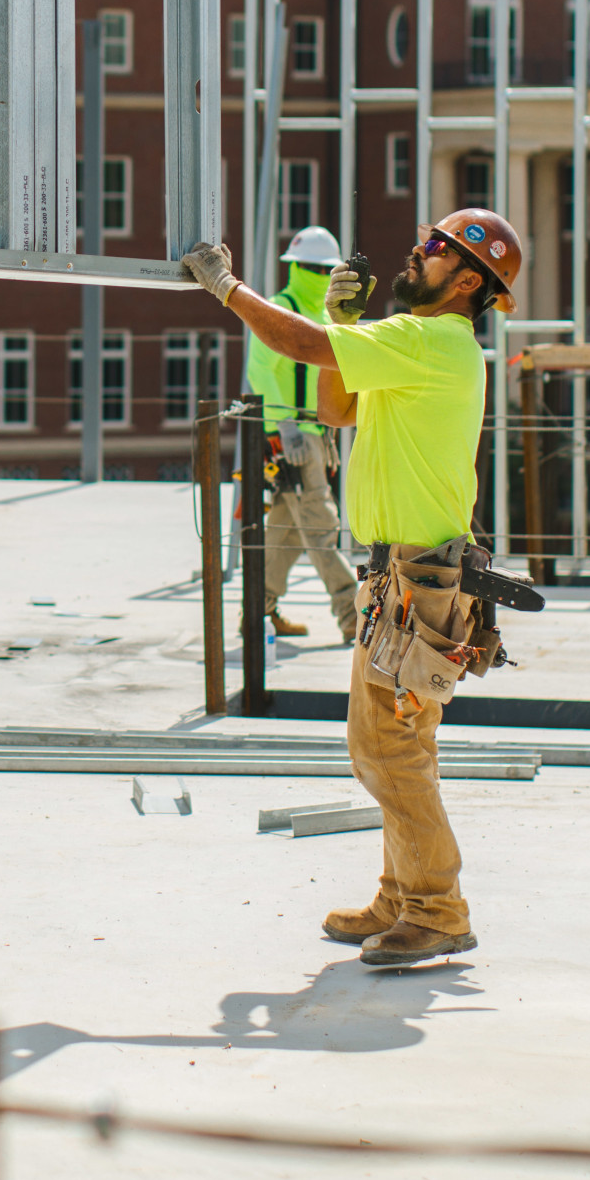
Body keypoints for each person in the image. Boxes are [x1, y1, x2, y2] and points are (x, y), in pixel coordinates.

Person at [181, 207, 527, 966]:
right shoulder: (422, 346)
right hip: (401, 576)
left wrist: (229, 288)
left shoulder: (431, 338)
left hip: (420, 576)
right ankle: (404, 894)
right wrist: (347, 325)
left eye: (435, 247)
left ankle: (436, 907)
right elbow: (336, 407)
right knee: (394, 744)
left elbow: (298, 344)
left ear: (467, 279)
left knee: (388, 747)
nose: (418, 249)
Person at [242, 226, 361, 644]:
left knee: (287, 533)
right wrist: (286, 429)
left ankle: (258, 610)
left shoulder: (326, 317)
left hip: (308, 435)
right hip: (290, 439)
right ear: (295, 268)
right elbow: (260, 372)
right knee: (320, 527)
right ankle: (352, 615)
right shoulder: (281, 308)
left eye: (321, 268)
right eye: (311, 267)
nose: (315, 273)